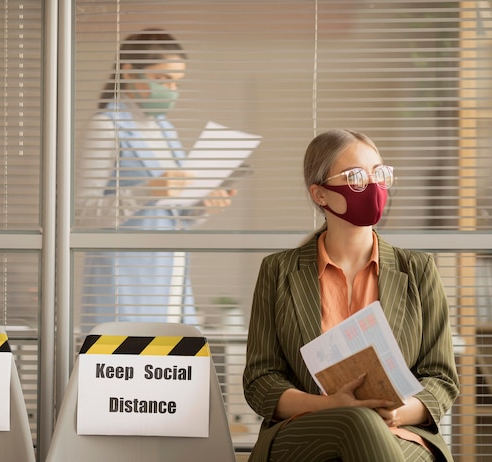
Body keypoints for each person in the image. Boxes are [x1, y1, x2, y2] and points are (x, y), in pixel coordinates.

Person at [243, 129, 460, 461]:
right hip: (307, 430)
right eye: (356, 176)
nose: (373, 186)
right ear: (321, 195)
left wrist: (398, 413)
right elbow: (260, 380)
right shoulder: (278, 271)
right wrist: (328, 405)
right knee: (355, 421)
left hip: (399, 431)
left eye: (379, 174)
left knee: (370, 430)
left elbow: (440, 377)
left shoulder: (418, 270)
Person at [75, 28, 235, 326]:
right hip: (123, 285)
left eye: (176, 82)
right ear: (129, 72)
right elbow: (82, 215)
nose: (171, 89)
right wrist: (146, 190)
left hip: (171, 281)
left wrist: (202, 207)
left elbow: (171, 215)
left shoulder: (166, 131)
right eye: (163, 79)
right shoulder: (106, 127)